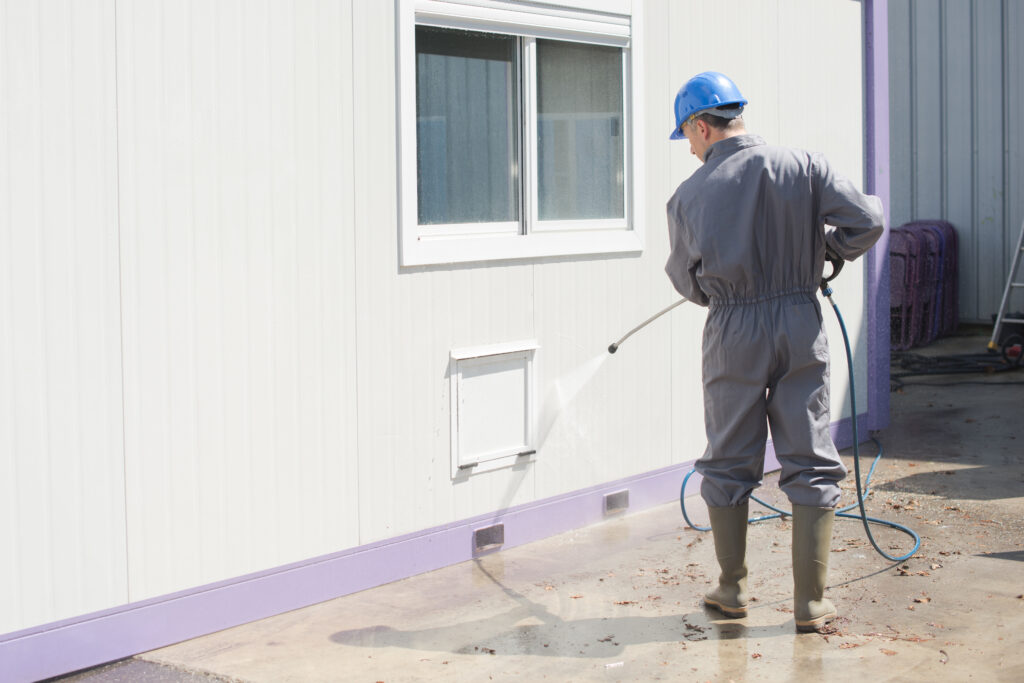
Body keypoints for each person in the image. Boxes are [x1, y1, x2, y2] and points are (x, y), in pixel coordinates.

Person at [664, 71, 884, 632]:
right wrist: (827, 252)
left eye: (687, 137)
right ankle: (811, 604)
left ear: (700, 125)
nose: (690, 149)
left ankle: (732, 588)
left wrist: (729, 291)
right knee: (809, 454)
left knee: (729, 455)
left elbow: (687, 284)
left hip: (733, 329)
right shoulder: (805, 166)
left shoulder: (688, 196)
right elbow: (869, 220)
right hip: (797, 318)